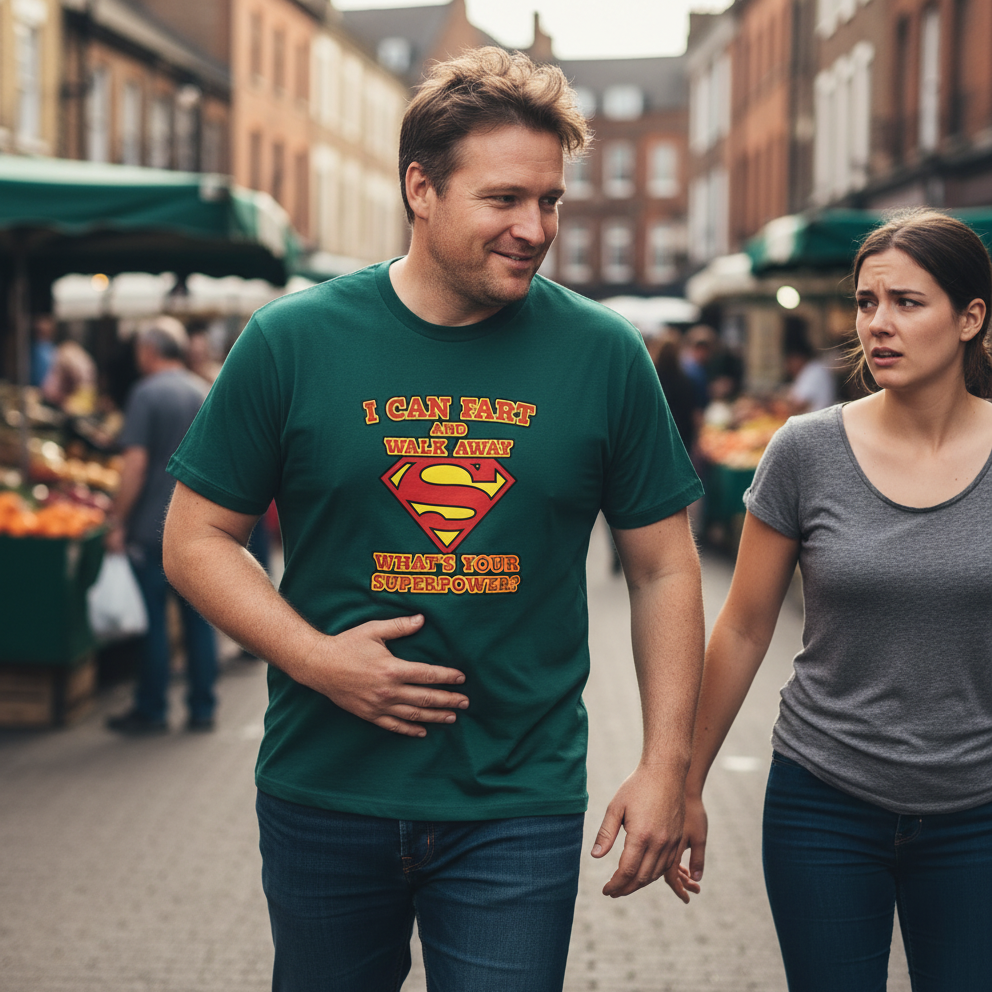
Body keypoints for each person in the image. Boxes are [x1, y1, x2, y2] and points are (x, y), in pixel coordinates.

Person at [162, 48, 705, 992]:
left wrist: (667, 765)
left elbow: (664, 568)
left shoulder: (605, 354)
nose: (534, 229)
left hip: (517, 798)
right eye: (503, 200)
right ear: (422, 188)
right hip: (325, 789)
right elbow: (196, 536)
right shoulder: (291, 342)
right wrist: (316, 658)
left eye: (551, 202)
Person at [665, 209, 992, 991]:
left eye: (907, 303)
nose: (878, 324)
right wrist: (685, 781)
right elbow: (743, 628)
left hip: (977, 810)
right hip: (824, 802)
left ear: (971, 317)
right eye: (865, 302)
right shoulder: (806, 451)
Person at [105, 317, 217, 735]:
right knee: (198, 621)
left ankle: (152, 708)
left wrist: (117, 519)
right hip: (198, 527)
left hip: (152, 526)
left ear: (149, 352)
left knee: (154, 622)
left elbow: (133, 465)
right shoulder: (202, 390)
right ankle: (203, 707)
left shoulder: (146, 393)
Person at [783, 336, 837, 412]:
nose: (789, 366)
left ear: (798, 358)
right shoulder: (808, 370)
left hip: (818, 419)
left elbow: (799, 405)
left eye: (790, 361)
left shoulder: (814, 371)